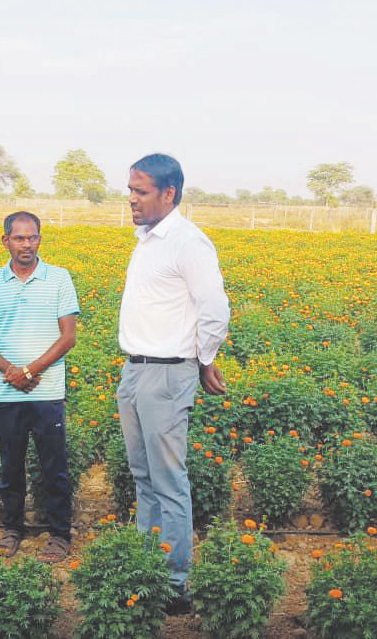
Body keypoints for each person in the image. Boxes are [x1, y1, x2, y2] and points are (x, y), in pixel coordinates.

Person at [116, 153, 230, 614]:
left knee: (167, 481)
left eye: (140, 191)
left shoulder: (188, 242)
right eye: (130, 190)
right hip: (135, 370)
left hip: (166, 373)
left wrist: (204, 360)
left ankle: (175, 582)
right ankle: (149, 568)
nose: (132, 199)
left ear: (168, 193)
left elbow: (215, 309)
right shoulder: (147, 240)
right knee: (143, 477)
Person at [0, 211, 79, 562]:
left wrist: (30, 371)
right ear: (6, 241)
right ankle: (12, 528)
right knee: (10, 467)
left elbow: (68, 336)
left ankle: (59, 533)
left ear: (40, 240)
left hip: (47, 392)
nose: (27, 244)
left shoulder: (59, 278)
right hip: (5, 392)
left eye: (32, 237)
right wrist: (11, 372)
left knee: (54, 467)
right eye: (19, 238)